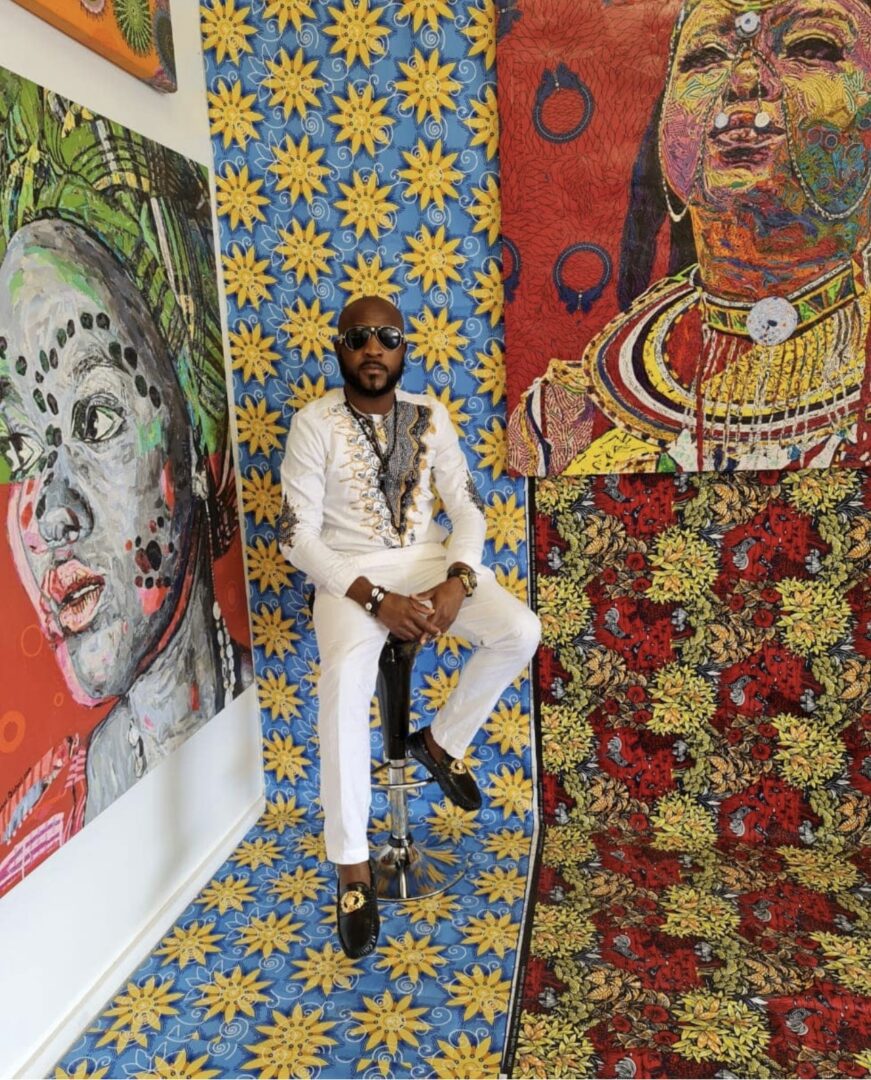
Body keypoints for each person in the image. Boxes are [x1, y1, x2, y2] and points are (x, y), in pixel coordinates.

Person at [0, 82, 250, 853]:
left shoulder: (274, 704)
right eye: (16, 447)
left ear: (194, 433)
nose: (49, 513)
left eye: (96, 417)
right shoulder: (32, 829)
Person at [279, 295, 541, 958]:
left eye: (386, 337)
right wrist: (373, 598)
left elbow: (470, 510)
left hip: (429, 564)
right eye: (359, 336)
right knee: (343, 680)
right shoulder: (314, 424)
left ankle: (439, 742)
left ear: (403, 349)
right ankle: (351, 865)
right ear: (339, 346)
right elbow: (295, 539)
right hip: (348, 576)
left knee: (518, 629)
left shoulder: (431, 415)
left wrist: (457, 578)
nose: (373, 349)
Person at [510, 0, 871, 476]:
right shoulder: (561, 424)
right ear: (665, 127)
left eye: (810, 47)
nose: (744, 80)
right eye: (705, 58)